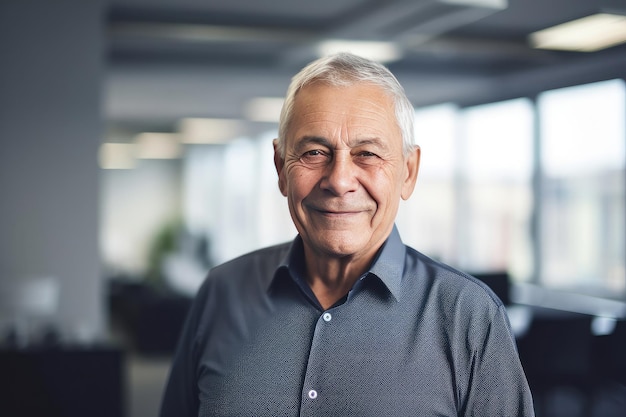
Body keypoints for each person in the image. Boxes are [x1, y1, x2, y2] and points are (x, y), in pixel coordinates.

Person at [159, 52, 535, 417]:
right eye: (314, 152)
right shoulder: (222, 291)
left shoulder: (468, 317)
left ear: (408, 172)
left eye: (367, 154)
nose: (339, 181)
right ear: (279, 168)